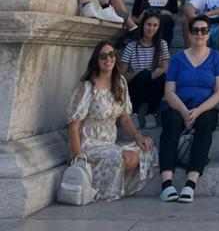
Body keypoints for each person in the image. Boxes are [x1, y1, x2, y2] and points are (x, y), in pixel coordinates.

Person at [66, 40, 157, 202]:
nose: (108, 59)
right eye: (103, 56)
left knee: (147, 148)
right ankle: (99, 185)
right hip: (89, 143)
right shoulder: (87, 87)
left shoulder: (120, 82)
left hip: (109, 143)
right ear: (96, 60)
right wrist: (78, 156)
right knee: (120, 158)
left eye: (111, 55)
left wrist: (138, 136)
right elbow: (74, 126)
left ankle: (114, 179)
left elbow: (124, 117)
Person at [160, 15, 219, 202]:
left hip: (204, 108)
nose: (199, 34)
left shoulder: (217, 58)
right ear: (189, 34)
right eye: (196, 30)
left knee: (205, 124)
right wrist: (184, 111)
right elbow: (169, 92)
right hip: (178, 106)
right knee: (171, 123)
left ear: (208, 34)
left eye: (204, 30)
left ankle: (191, 182)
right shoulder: (178, 59)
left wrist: (197, 111)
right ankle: (166, 183)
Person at [119, 11, 170, 127]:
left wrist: (147, 75)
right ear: (142, 25)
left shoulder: (162, 44)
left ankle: (151, 113)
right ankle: (134, 113)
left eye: (155, 25)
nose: (151, 28)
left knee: (161, 78)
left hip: (153, 84)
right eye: (148, 24)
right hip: (135, 85)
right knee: (144, 75)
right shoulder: (131, 46)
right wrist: (140, 73)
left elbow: (165, 67)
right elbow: (122, 75)